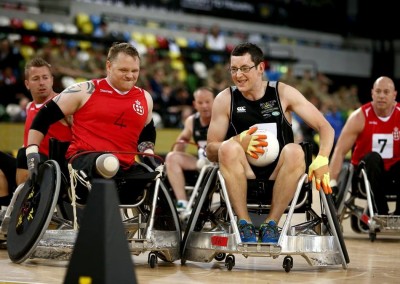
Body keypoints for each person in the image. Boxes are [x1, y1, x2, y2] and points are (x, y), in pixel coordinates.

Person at [206, 42, 334, 244]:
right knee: (228, 147)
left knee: (295, 150)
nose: (238, 75)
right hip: (243, 175)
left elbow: (325, 127)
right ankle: (244, 223)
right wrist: (238, 140)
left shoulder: (283, 93)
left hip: (280, 175)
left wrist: (323, 158)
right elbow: (210, 150)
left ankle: (271, 224)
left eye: (244, 68)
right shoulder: (225, 99)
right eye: (234, 69)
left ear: (260, 68)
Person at [25, 42, 158, 205]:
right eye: (123, 70)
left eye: (134, 71)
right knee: (109, 162)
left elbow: (147, 131)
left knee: (155, 175)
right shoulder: (84, 90)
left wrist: (149, 153)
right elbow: (43, 117)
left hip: (124, 169)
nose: (130, 75)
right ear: (108, 66)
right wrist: (32, 152)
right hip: (83, 162)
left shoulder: (145, 98)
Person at [0, 57, 72, 207]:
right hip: (29, 166)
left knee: (23, 153)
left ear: (52, 80)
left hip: (55, 169)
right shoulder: (30, 107)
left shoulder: (63, 105)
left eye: (45, 78)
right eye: (36, 78)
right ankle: (5, 209)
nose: (41, 82)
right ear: (27, 84)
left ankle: (20, 208)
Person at [329, 76, 400, 216]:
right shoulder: (359, 117)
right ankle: (381, 212)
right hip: (364, 176)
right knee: (373, 158)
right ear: (372, 93)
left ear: (394, 95)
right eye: (378, 91)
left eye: (386, 92)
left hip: (393, 176)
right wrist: (332, 182)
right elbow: (340, 151)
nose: (381, 96)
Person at [165, 87, 215, 211]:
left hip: (221, 163)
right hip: (201, 163)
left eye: (208, 102)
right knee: (172, 157)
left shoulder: (222, 117)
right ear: (194, 104)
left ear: (215, 101)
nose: (204, 106)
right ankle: (182, 203)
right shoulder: (191, 121)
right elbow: (180, 142)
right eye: (200, 102)